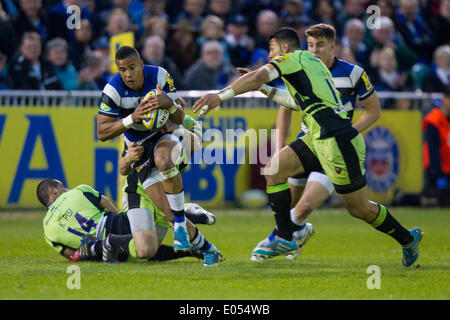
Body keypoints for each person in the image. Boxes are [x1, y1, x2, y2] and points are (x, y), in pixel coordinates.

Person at [193, 27, 423, 267]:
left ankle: (408, 239)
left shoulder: (296, 58)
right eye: (310, 44)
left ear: (284, 48)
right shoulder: (312, 66)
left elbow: (259, 75)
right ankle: (284, 236)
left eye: (271, 50)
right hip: (316, 139)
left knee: (359, 209)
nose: (270, 56)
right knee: (274, 170)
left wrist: (220, 96)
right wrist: (263, 88)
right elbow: (293, 102)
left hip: (338, 141)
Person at [241, 23, 381, 260]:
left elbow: (373, 111)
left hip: (333, 148)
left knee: (305, 207)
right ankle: (293, 236)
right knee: (286, 202)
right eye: (311, 45)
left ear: (333, 46)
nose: (315, 50)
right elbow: (286, 109)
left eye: (320, 45)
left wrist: (349, 133)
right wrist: (278, 146)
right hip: (307, 145)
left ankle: (283, 239)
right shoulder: (300, 68)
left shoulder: (353, 73)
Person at [96, 46, 222, 266]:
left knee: (167, 157)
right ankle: (198, 233)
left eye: (132, 68)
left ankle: (182, 219)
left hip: (165, 140)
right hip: (141, 157)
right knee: (149, 245)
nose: (127, 74)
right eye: (122, 69)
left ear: (141, 65)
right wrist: (131, 119)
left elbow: (182, 119)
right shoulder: (113, 90)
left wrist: (170, 105)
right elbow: (102, 134)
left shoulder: (160, 76)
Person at [37, 179, 215, 264]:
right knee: (152, 210)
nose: (65, 187)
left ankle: (189, 251)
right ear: (53, 190)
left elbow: (70, 254)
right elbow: (105, 202)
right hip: (114, 225)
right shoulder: (78, 190)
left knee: (145, 248)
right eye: (61, 185)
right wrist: (127, 217)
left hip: (105, 253)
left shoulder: (46, 230)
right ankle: (187, 210)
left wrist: (95, 253)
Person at [422, 86, 450, 206]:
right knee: (440, 197)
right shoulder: (434, 120)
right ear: (444, 99)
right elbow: (433, 151)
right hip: (437, 171)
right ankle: (406, 198)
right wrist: (439, 176)